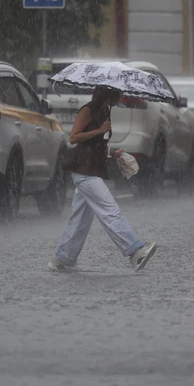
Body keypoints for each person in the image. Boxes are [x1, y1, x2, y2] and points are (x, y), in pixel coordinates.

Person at [49, 86, 157, 272]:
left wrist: (114, 153)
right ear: (108, 94)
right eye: (118, 94)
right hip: (84, 171)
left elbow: (97, 143)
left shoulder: (105, 110)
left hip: (93, 169)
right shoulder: (88, 110)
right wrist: (99, 130)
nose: (121, 97)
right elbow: (74, 138)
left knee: (80, 220)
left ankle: (62, 258)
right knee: (109, 210)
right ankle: (135, 252)